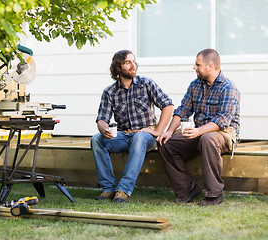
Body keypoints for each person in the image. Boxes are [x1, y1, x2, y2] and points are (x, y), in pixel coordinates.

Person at [157, 48, 240, 206]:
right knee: (166, 143)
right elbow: (182, 110)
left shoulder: (229, 88)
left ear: (209, 66)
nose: (194, 67)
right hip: (200, 133)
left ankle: (215, 194)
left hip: (224, 134)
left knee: (207, 139)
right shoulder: (195, 85)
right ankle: (187, 189)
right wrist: (168, 132)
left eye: (197, 64)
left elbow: (222, 120)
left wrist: (199, 131)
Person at [91, 50, 174, 202]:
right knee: (96, 139)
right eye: (128, 62)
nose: (133, 65)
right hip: (123, 136)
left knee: (139, 137)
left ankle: (123, 189)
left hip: (145, 136)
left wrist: (158, 130)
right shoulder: (109, 92)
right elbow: (102, 119)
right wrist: (103, 129)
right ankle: (108, 188)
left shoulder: (146, 84)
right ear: (118, 68)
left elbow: (168, 106)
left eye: (134, 61)